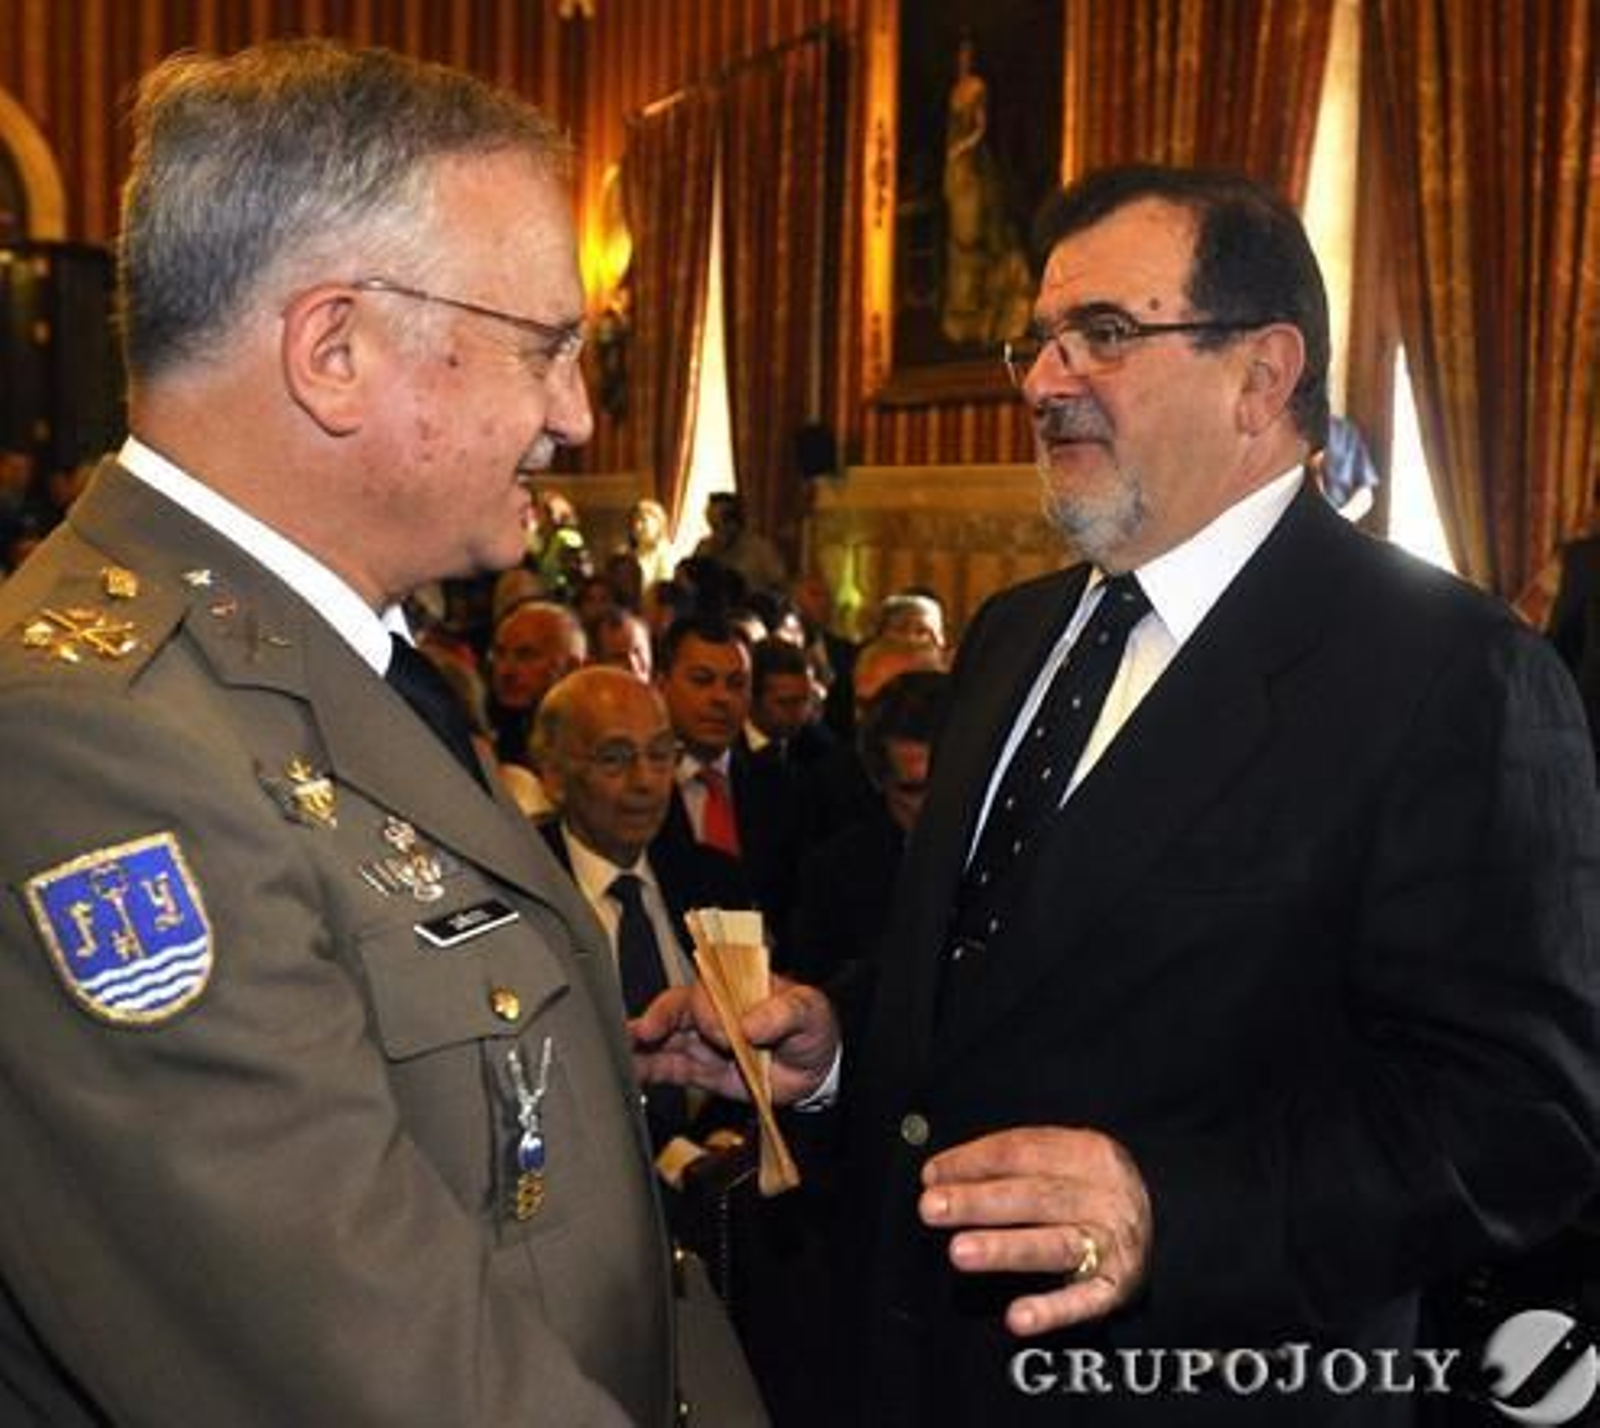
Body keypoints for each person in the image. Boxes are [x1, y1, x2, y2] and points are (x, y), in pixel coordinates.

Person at [636, 164, 1600, 1426]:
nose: (1042, 381)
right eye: (1037, 340)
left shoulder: (1448, 674)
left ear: (1261, 374)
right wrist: (833, 1048)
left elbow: (1516, 1119)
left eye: (1102, 334)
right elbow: (1002, 977)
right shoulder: (1013, 634)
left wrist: (1172, 1212)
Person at [0, 40, 761, 1425]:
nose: (575, 412)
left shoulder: (313, 654)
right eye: (546, 346)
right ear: (335, 352)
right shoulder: (87, 744)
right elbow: (358, 1367)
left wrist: (578, 1062)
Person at [486, 597, 586, 767]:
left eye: (526, 655)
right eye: (500, 653)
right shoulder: (487, 732)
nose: (506, 671)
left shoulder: (592, 742)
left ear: (571, 667)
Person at [694, 491, 788, 596]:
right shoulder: (704, 548)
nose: (712, 535)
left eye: (716, 527)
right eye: (710, 526)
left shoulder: (761, 550)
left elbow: (781, 587)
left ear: (733, 524)